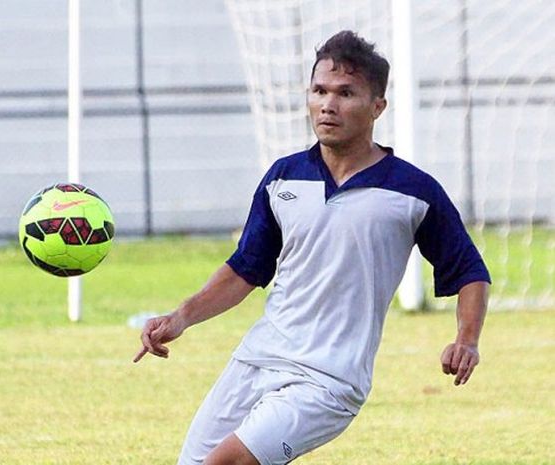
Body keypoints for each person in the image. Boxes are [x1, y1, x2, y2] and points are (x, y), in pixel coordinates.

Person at [133, 30, 490, 465]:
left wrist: (466, 340)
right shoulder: (284, 176)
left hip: (328, 380)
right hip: (257, 360)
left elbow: (470, 271)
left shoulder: (413, 191)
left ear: (377, 106)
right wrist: (180, 317)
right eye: (319, 90)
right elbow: (245, 269)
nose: (328, 104)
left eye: (345, 93)